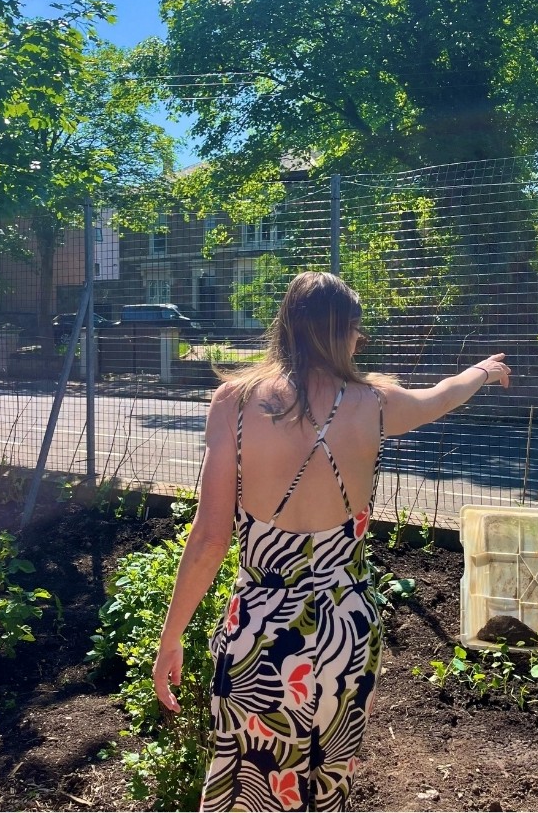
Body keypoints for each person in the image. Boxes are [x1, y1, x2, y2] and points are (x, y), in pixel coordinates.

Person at [151, 271, 510, 811]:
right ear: (344, 332)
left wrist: (170, 637)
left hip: (261, 636)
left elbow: (208, 540)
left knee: (252, 784)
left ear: (286, 326)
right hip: (347, 632)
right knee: (328, 786)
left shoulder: (235, 403)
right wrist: (484, 371)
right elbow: (440, 397)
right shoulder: (376, 403)